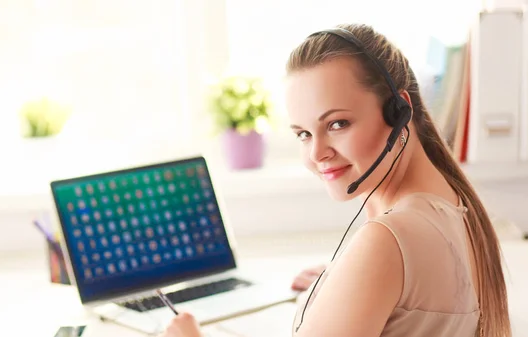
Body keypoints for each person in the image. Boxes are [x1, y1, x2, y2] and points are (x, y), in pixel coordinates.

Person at [156, 23, 511, 337]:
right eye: (302, 134)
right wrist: (349, 284)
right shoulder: (452, 203)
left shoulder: (386, 241)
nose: (316, 153)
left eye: (337, 124)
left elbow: (397, 255)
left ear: (398, 110)